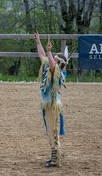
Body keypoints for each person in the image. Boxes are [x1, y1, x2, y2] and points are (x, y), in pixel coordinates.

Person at [34, 31, 67, 168]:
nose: (50, 58)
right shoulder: (49, 65)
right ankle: (54, 156)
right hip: (48, 104)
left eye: (53, 57)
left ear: (58, 62)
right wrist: (38, 41)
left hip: (52, 105)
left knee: (53, 131)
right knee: (50, 131)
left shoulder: (56, 69)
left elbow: (53, 66)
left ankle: (55, 159)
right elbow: (42, 55)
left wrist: (49, 51)